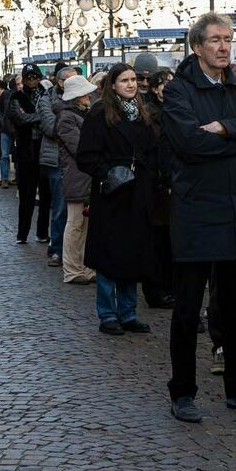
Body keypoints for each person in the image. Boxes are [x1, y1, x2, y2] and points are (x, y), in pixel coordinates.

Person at [162, 12, 236, 423]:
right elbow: (190, 144)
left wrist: (226, 131)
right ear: (197, 46)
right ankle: (182, 392)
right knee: (188, 310)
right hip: (198, 213)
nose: (224, 47)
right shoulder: (179, 91)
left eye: (228, 39)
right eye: (216, 40)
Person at [77, 63, 159, 335]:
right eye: (124, 80)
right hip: (112, 194)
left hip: (138, 194)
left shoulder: (143, 115)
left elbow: (152, 150)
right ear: (113, 85)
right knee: (109, 256)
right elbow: (86, 156)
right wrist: (109, 175)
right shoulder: (100, 114)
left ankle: (128, 312)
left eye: (133, 79)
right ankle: (107, 313)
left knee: (132, 254)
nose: (131, 84)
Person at [56, 75, 98, 285]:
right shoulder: (67, 118)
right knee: (75, 224)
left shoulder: (79, 114)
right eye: (85, 93)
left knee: (83, 225)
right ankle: (72, 269)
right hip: (77, 175)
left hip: (83, 176)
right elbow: (79, 147)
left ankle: (81, 266)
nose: (89, 95)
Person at [142, 69, 177, 309]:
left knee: (169, 242)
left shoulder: (174, 110)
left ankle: (168, 286)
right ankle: (156, 289)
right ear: (156, 88)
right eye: (166, 83)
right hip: (157, 185)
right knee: (158, 241)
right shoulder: (152, 114)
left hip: (171, 183)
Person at [40, 64, 78, 265]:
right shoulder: (47, 99)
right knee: (60, 206)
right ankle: (57, 248)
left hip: (77, 161)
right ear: (60, 82)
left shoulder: (81, 99)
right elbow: (51, 127)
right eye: (70, 81)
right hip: (55, 159)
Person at [9, 63, 50, 244]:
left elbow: (51, 117)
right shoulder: (16, 96)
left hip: (44, 149)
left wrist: (33, 117)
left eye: (35, 77)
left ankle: (42, 232)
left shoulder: (46, 94)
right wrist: (41, 117)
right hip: (26, 151)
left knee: (46, 196)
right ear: (24, 80)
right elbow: (20, 118)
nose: (32, 81)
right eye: (28, 78)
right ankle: (22, 234)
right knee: (26, 195)